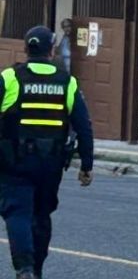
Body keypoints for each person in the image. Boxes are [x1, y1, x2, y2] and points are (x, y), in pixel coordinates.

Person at [0, 26, 93, 279]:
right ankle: (37, 270)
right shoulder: (67, 82)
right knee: (41, 215)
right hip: (50, 164)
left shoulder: (9, 78)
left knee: (17, 213)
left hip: (13, 162)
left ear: (25, 49)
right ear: (52, 50)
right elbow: (83, 126)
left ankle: (25, 269)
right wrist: (87, 165)